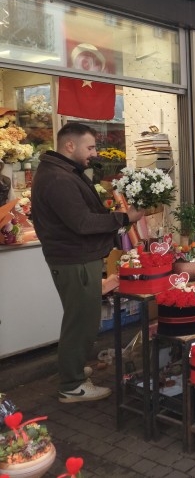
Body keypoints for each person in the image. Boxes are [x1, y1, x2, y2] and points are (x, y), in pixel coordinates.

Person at [31, 122, 144, 403]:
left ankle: (74, 368)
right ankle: (72, 385)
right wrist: (124, 218)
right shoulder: (58, 178)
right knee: (81, 321)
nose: (93, 153)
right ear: (70, 145)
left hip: (77, 257)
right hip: (74, 259)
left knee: (82, 317)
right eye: (90, 147)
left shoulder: (64, 172)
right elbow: (82, 222)